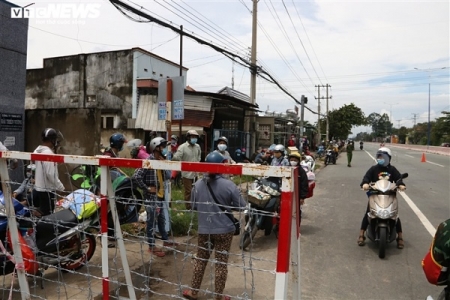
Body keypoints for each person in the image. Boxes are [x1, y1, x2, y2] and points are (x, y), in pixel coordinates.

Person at [182, 152, 246, 300]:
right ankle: (218, 296)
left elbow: (193, 206)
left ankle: (193, 292)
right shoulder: (229, 185)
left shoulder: (197, 185)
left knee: (201, 260)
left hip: (204, 230)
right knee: (221, 264)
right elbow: (242, 206)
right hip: (225, 230)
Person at [133, 137, 175, 257]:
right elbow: (136, 177)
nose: (165, 149)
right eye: (163, 147)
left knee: (161, 219)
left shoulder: (160, 161)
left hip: (160, 196)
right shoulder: (148, 161)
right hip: (151, 197)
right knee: (151, 222)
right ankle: (152, 246)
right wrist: (147, 188)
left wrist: (164, 164)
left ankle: (165, 240)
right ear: (156, 148)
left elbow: (168, 176)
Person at [357, 147, 406, 249]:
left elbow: (398, 178)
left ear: (388, 158)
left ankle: (400, 237)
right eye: (378, 156)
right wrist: (365, 183)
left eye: (382, 156)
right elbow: (366, 177)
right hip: (375, 194)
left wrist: (401, 184)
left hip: (390, 194)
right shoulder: (373, 169)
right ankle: (361, 234)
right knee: (368, 213)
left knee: (395, 215)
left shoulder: (392, 169)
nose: (380, 158)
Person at [31, 128, 65, 217]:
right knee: (46, 215)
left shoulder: (38, 151)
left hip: (39, 188)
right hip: (47, 190)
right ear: (52, 140)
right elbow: (50, 174)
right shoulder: (48, 154)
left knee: (41, 211)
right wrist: (61, 187)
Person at [172, 130, 202, 210]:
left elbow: (199, 157)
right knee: (188, 191)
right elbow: (176, 157)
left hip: (195, 173)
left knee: (196, 190)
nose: (194, 139)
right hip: (186, 174)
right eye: (192, 137)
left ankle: (195, 206)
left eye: (195, 137)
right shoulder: (182, 147)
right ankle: (188, 208)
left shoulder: (197, 146)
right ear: (188, 137)